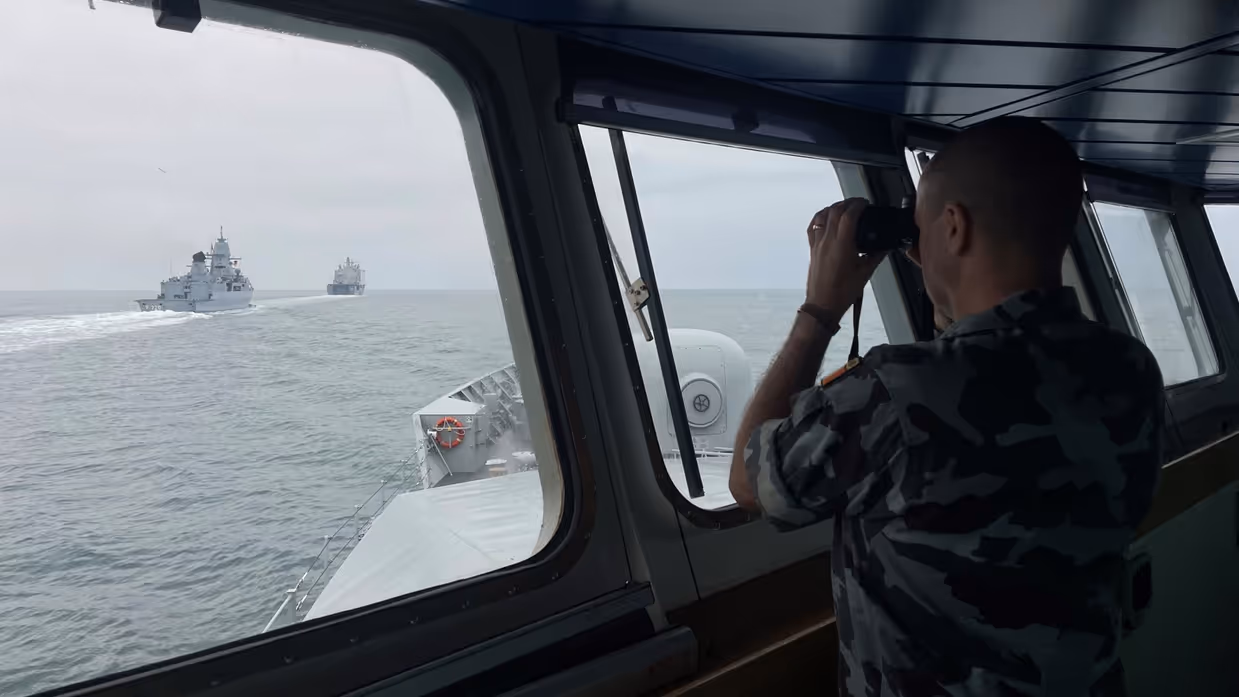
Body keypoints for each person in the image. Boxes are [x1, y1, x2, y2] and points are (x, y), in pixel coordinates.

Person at [729, 117, 1164, 697]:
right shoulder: (1130, 369)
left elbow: (750, 481)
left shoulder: (895, 394)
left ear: (954, 225)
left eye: (925, 225)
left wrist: (819, 313)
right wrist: (950, 282)